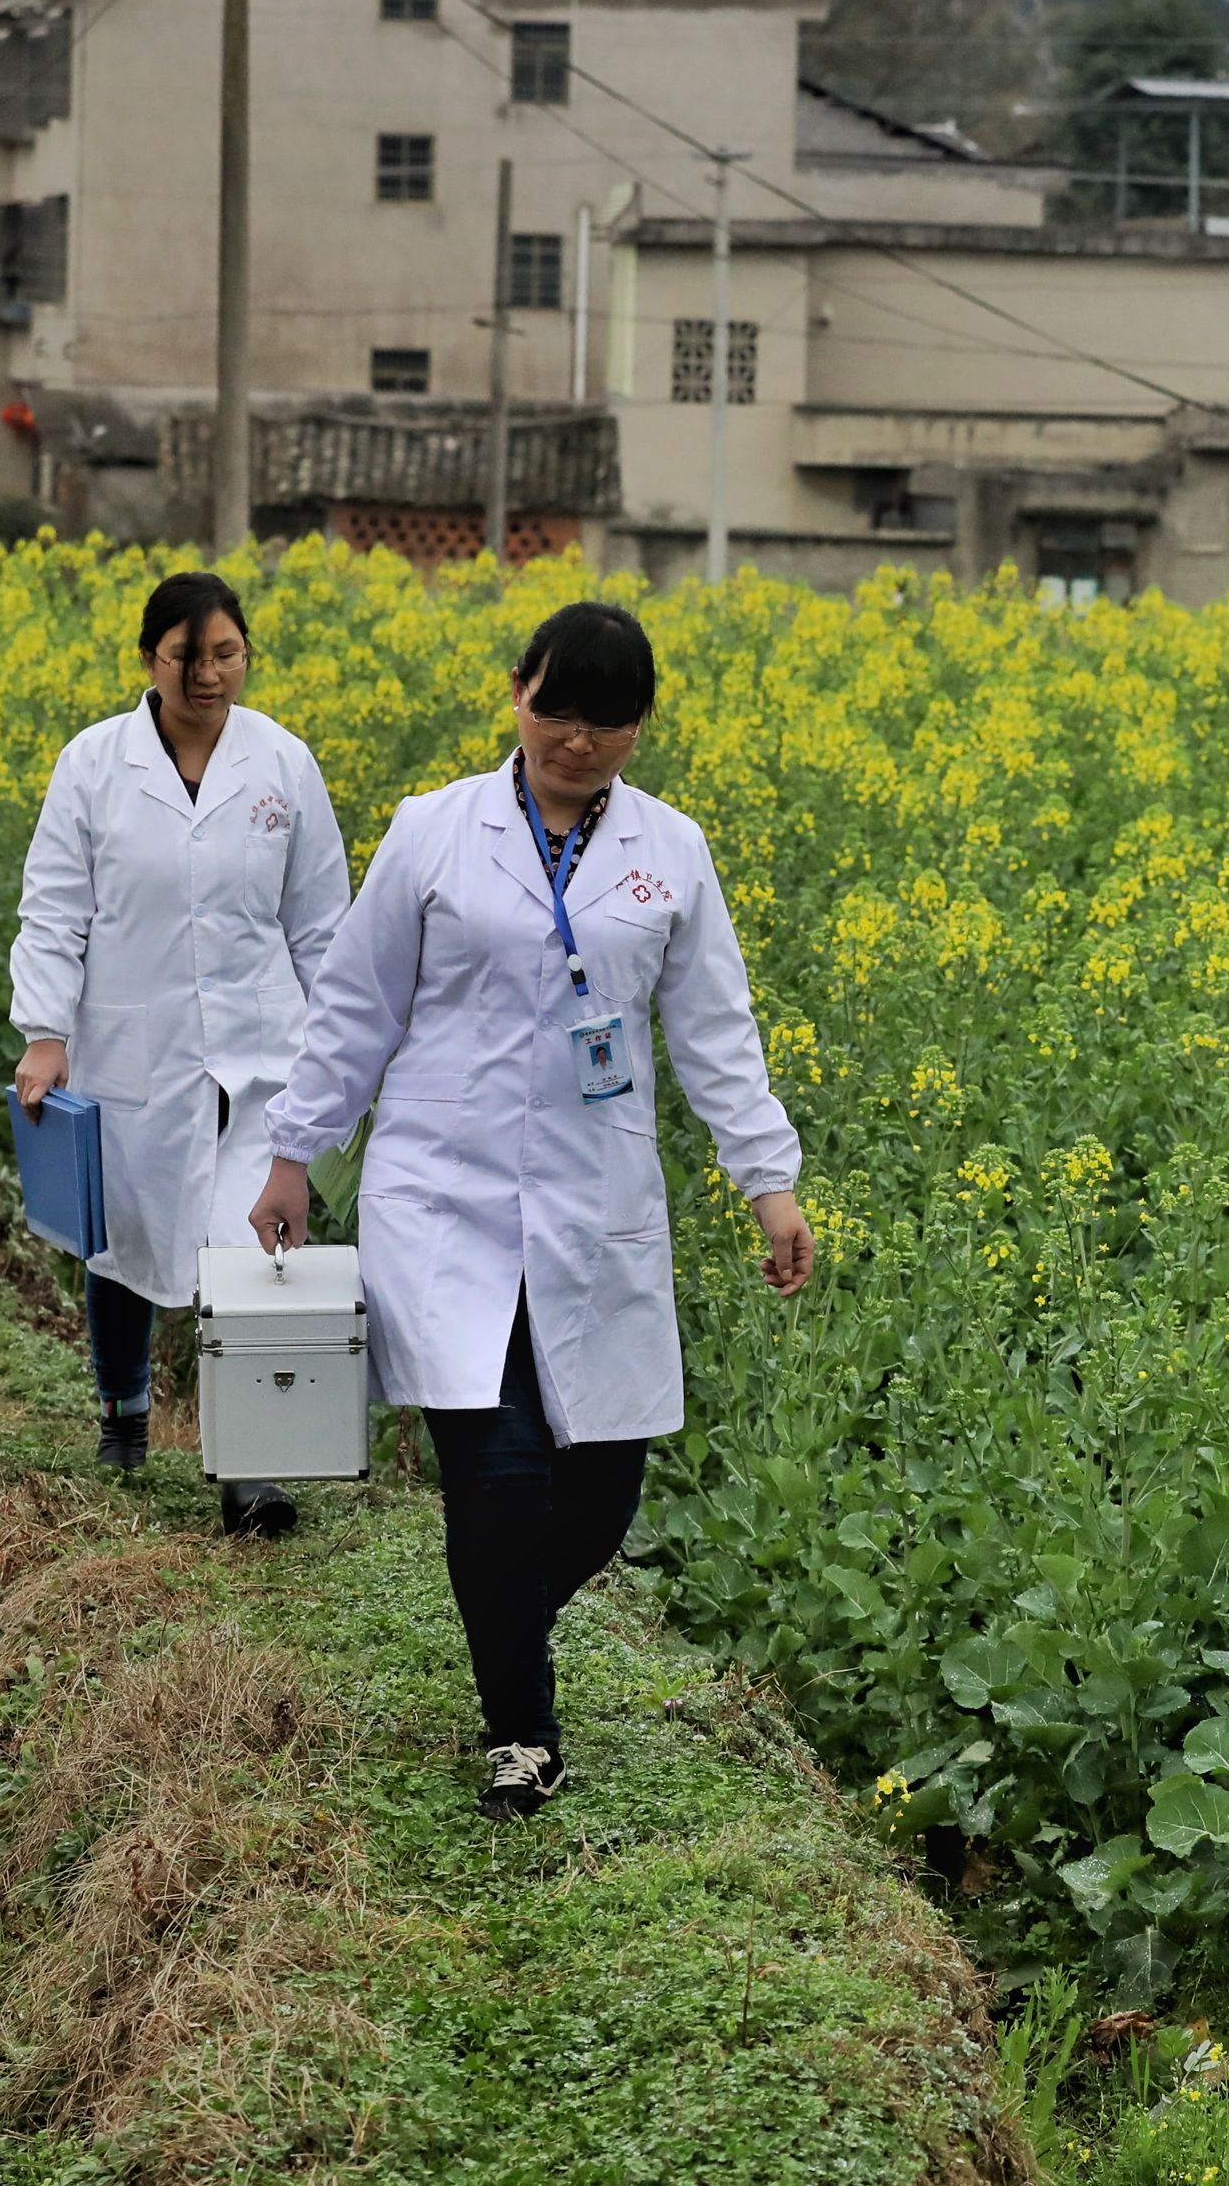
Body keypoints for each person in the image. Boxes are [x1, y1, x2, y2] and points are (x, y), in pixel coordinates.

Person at [251, 599, 812, 1819]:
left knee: (601, 1491)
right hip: (438, 1193)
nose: (578, 739)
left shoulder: (673, 851)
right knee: (497, 1476)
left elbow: (716, 1033)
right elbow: (357, 1005)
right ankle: (523, 1733)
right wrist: (294, 1153)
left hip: (592, 1198)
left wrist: (768, 1183)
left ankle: (499, 1617)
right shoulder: (434, 830)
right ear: (516, 692)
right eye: (556, 708)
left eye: (608, 719)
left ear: (641, 725)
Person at [10, 569, 350, 1537]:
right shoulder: (92, 763)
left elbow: (322, 923)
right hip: (131, 1042)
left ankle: (253, 1468)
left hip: (260, 1049)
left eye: (226, 654)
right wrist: (46, 1034)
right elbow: (55, 909)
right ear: (150, 659)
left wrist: (344, 1048)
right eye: (186, 657)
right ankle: (123, 1410)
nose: (208, 674)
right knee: (123, 1232)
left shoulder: (283, 764)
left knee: (252, 1244)